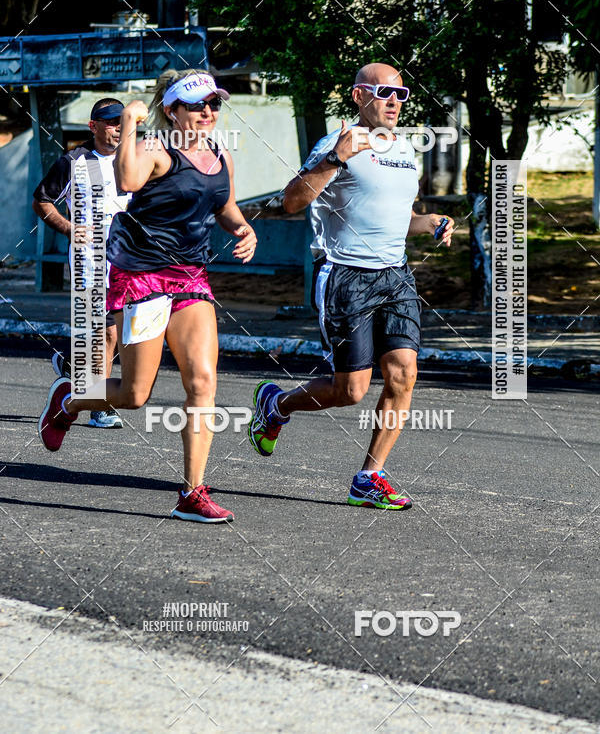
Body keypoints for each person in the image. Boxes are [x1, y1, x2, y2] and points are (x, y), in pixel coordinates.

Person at [38, 69, 258, 523]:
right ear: (173, 110)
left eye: (214, 104)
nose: (209, 113)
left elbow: (224, 204)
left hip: (189, 278)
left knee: (202, 381)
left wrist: (242, 226)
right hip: (141, 277)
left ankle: (191, 492)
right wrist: (134, 123)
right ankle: (71, 400)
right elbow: (127, 182)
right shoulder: (153, 149)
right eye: (198, 105)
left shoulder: (219, 155)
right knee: (135, 394)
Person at [248, 62, 454, 511]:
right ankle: (277, 405)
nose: (395, 102)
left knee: (403, 373)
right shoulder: (336, 143)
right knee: (351, 390)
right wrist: (337, 157)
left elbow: (400, 220)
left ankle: (368, 477)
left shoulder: (403, 150)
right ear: (359, 96)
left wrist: (432, 223)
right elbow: (291, 201)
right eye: (384, 92)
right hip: (345, 276)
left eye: (401, 94)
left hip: (395, 277)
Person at [32, 98, 131, 429]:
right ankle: (99, 406)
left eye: (124, 120)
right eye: (112, 121)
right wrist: (71, 229)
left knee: (114, 335)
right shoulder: (75, 161)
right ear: (94, 126)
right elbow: (42, 200)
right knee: (105, 333)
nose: (119, 126)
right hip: (90, 263)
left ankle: (75, 372)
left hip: (128, 262)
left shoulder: (135, 162)